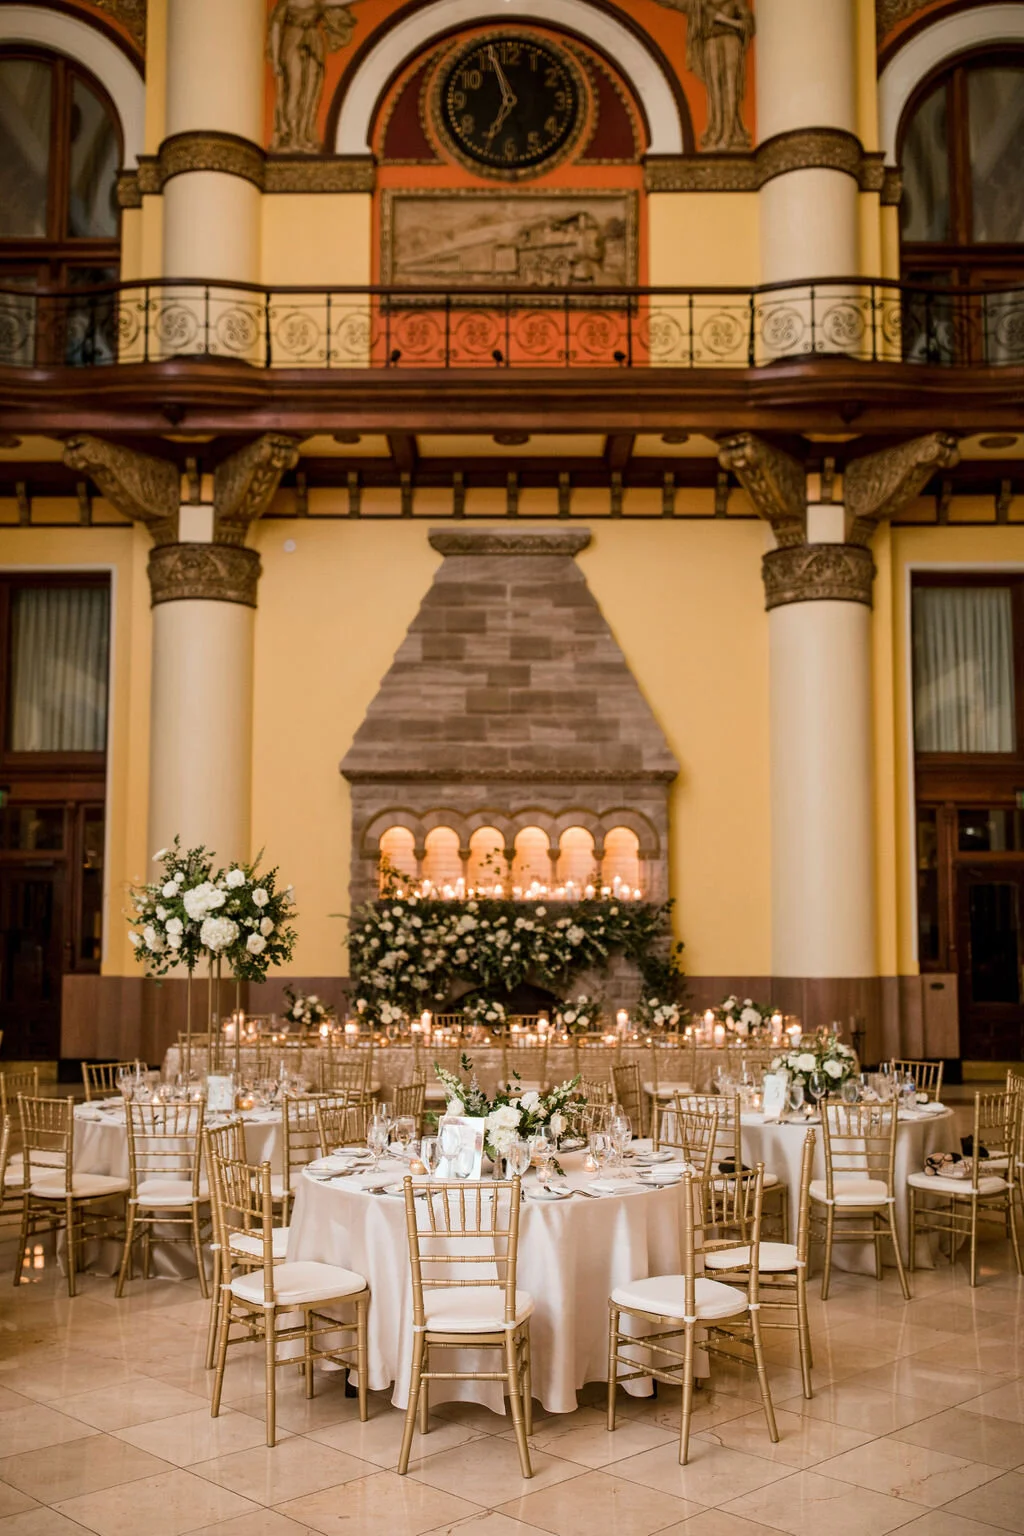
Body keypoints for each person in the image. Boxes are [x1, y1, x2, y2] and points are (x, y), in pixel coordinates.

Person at [267, 0, 358, 153]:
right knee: (295, 88)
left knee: (310, 91)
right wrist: (276, 61)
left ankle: (303, 135)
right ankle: (292, 136)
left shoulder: (319, 2)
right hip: (292, 41)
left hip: (314, 41)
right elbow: (276, 29)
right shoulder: (286, 3)